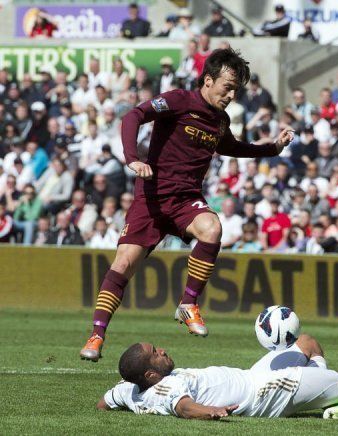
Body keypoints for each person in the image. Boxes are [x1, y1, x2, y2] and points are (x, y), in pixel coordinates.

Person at [79, 48, 295, 360]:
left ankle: (188, 303)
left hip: (185, 199)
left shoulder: (219, 120)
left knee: (212, 228)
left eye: (236, 90)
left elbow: (233, 147)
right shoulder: (179, 100)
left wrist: (273, 149)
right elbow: (133, 116)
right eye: (227, 87)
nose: (232, 95)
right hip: (151, 199)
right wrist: (132, 159)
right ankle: (96, 336)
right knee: (124, 265)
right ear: (208, 80)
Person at [97, 336, 338, 419]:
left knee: (304, 343)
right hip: (262, 393)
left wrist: (111, 402)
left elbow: (105, 401)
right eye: (156, 353)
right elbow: (185, 407)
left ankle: (327, 400)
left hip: (249, 376)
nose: (162, 351)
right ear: (151, 373)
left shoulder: (131, 390)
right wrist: (213, 412)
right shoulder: (167, 387)